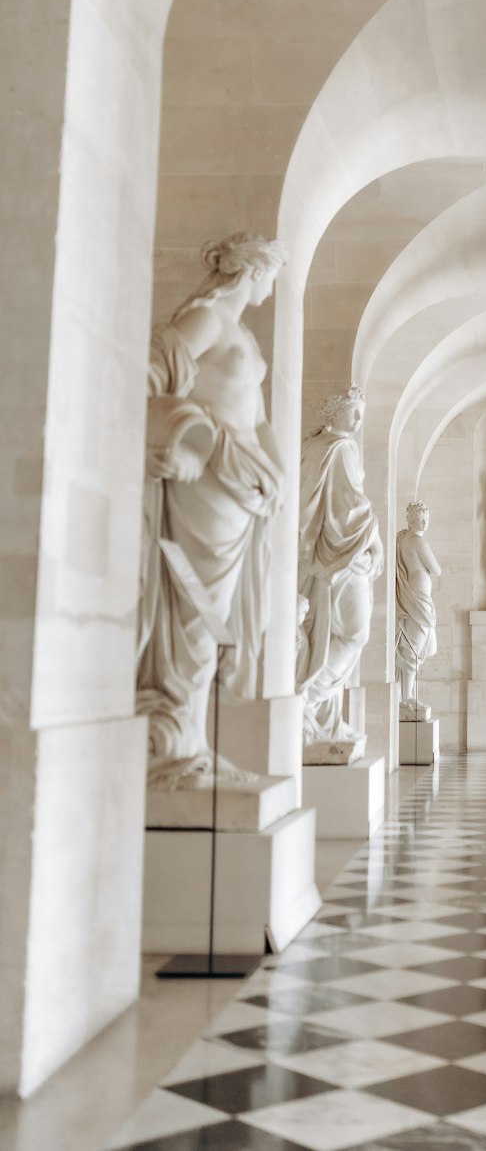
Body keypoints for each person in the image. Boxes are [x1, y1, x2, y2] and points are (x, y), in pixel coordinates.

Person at [136, 231, 286, 790]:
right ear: (253, 270)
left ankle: (190, 740)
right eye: (272, 273)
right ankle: (172, 747)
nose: (274, 285)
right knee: (194, 615)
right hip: (210, 481)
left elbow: (260, 417)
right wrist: (179, 443)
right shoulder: (207, 319)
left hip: (244, 487)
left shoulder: (242, 331)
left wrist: (275, 475)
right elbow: (149, 377)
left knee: (213, 616)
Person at [297, 385, 383, 761]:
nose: (359, 421)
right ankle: (305, 701)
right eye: (354, 412)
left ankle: (322, 717)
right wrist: (375, 538)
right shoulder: (341, 448)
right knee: (353, 633)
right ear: (334, 414)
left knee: (328, 632)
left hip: (318, 558)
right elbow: (353, 508)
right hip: (345, 557)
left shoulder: (312, 448)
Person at [394, 501, 441, 717]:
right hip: (419, 599)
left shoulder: (404, 539)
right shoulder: (417, 540)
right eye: (421, 519)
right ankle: (407, 698)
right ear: (412, 520)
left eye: (426, 518)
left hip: (415, 596)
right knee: (414, 647)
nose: (425, 522)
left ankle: (406, 697)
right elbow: (436, 569)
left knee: (413, 646)